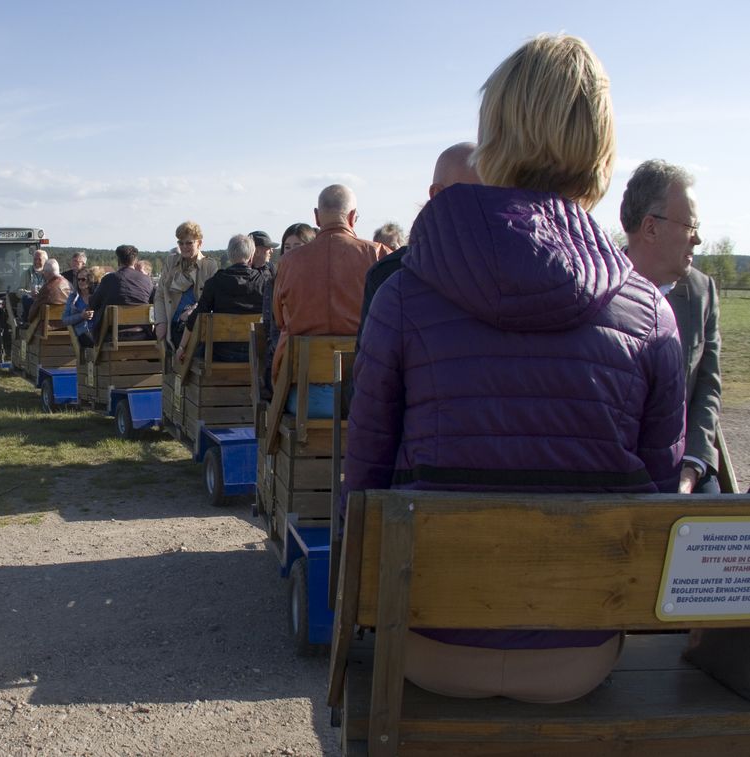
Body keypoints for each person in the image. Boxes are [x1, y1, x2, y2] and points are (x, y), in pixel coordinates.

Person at [344, 34, 685, 703]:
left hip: (426, 644)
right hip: (577, 656)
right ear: (600, 149)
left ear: (492, 136)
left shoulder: (402, 295)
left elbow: (364, 485)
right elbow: (658, 495)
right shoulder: (650, 313)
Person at [621, 160, 719, 493]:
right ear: (650, 228)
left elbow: (707, 388)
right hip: (615, 471)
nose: (698, 239)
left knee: (719, 523)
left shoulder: (702, 292)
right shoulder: (597, 288)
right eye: (690, 226)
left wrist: (692, 467)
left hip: (684, 467)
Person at [271, 184, 387, 412]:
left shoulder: (289, 262)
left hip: (303, 395)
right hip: (366, 396)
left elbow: (279, 319)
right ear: (353, 217)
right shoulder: (378, 255)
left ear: (316, 217)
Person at [357, 143, 480, 345]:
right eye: (475, 194)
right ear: (437, 194)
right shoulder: (522, 268)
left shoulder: (389, 275)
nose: (486, 203)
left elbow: (370, 360)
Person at [177, 233, 268, 364]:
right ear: (251, 256)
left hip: (221, 355)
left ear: (229, 256)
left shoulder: (215, 282)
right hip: (257, 355)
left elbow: (196, 317)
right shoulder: (264, 283)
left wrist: (181, 347)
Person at [261, 222, 316, 398]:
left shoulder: (320, 283)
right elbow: (272, 330)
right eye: (287, 247)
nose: (291, 253)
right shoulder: (274, 283)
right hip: (286, 364)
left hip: (318, 363)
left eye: (298, 247)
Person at [154, 221, 219, 350]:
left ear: (199, 243)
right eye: (181, 243)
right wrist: (160, 322)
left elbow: (212, 300)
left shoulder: (209, 266)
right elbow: (160, 295)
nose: (184, 247)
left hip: (195, 328)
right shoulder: (171, 262)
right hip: (172, 326)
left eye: (189, 243)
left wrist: (193, 310)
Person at [87, 245, 154, 341]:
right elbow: (153, 303)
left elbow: (93, 304)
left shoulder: (109, 279)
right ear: (135, 261)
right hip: (142, 334)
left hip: (113, 336)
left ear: (118, 260)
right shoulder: (146, 280)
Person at [23, 259, 71, 326]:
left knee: (25, 298)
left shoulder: (47, 288)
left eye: (44, 271)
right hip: (67, 326)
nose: (43, 273)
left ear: (47, 273)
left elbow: (32, 314)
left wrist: (29, 319)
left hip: (46, 326)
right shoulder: (69, 284)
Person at [63, 266, 102, 347]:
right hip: (83, 333)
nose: (80, 282)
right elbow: (65, 320)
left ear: (89, 280)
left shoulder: (97, 295)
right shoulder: (73, 297)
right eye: (78, 279)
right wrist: (81, 316)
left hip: (98, 331)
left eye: (83, 279)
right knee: (95, 341)